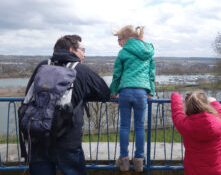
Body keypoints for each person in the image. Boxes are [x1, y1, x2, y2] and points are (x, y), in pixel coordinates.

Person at [26, 35, 110, 175]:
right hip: (67, 136)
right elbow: (105, 93)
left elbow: (29, 93)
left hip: (38, 133)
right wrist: (83, 95)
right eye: (83, 50)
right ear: (72, 49)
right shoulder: (81, 70)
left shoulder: (43, 65)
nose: (84, 54)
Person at [110, 25, 155, 172]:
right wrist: (151, 92)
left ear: (127, 38)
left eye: (119, 39)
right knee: (140, 126)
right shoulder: (148, 52)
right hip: (142, 92)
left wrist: (113, 92)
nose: (119, 43)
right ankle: (139, 161)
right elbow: (151, 75)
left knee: (124, 126)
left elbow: (117, 74)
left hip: (125, 91)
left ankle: (124, 160)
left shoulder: (123, 53)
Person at [170, 90, 221, 175]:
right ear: (206, 104)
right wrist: (214, 103)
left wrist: (175, 96)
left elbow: (177, 113)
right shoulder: (219, 123)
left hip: (194, 170)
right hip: (219, 170)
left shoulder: (185, 125)